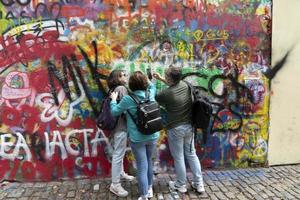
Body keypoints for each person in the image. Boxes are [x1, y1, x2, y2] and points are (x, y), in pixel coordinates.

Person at [153, 67, 205, 194]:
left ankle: (180, 184)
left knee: (179, 157)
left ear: (170, 79)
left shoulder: (166, 93)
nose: (165, 76)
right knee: (192, 154)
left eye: (166, 75)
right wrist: (161, 78)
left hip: (175, 128)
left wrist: (155, 82)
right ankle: (199, 184)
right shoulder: (186, 85)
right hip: (189, 127)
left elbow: (156, 97)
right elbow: (173, 86)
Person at [110, 71, 160, 200]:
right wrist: (147, 79)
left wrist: (114, 101)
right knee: (148, 162)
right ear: (144, 83)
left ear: (131, 85)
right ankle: (149, 189)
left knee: (142, 166)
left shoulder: (128, 99)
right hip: (153, 135)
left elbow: (114, 112)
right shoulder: (151, 94)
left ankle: (144, 195)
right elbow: (153, 86)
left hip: (137, 139)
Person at [107, 70, 135, 198]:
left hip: (116, 127)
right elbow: (126, 108)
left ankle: (121, 172)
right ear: (116, 78)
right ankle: (115, 184)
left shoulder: (113, 89)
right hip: (121, 127)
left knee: (119, 152)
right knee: (118, 154)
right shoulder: (121, 88)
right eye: (122, 75)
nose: (125, 76)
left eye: (125, 74)